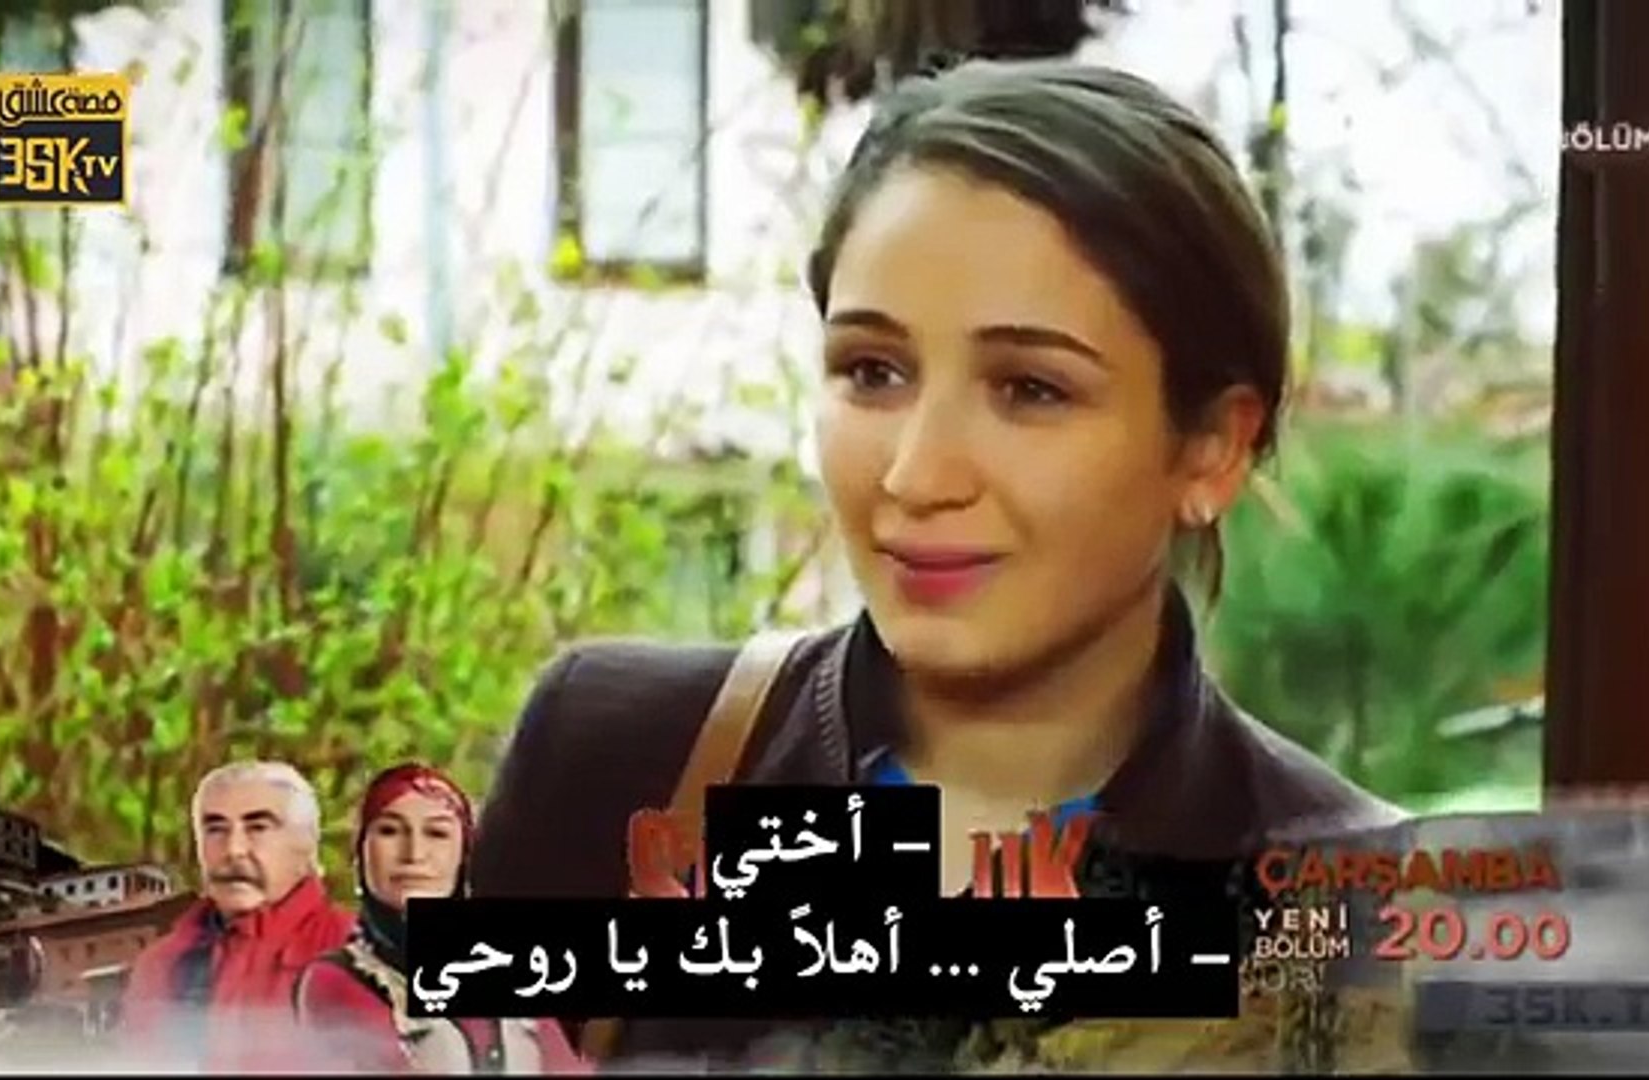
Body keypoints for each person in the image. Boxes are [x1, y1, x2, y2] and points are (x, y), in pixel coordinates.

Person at [469, 58, 1406, 1066]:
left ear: (1211, 449)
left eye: (1031, 389)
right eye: (873, 372)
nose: (916, 475)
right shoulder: (617, 759)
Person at [293, 763, 589, 1074]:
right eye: (390, 831)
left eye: (437, 833)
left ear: (464, 855)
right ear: (361, 853)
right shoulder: (337, 980)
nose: (414, 854)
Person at [120, 760, 356, 1072]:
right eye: (215, 829)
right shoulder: (161, 964)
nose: (233, 849)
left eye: (258, 827)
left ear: (306, 845)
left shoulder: (363, 953)